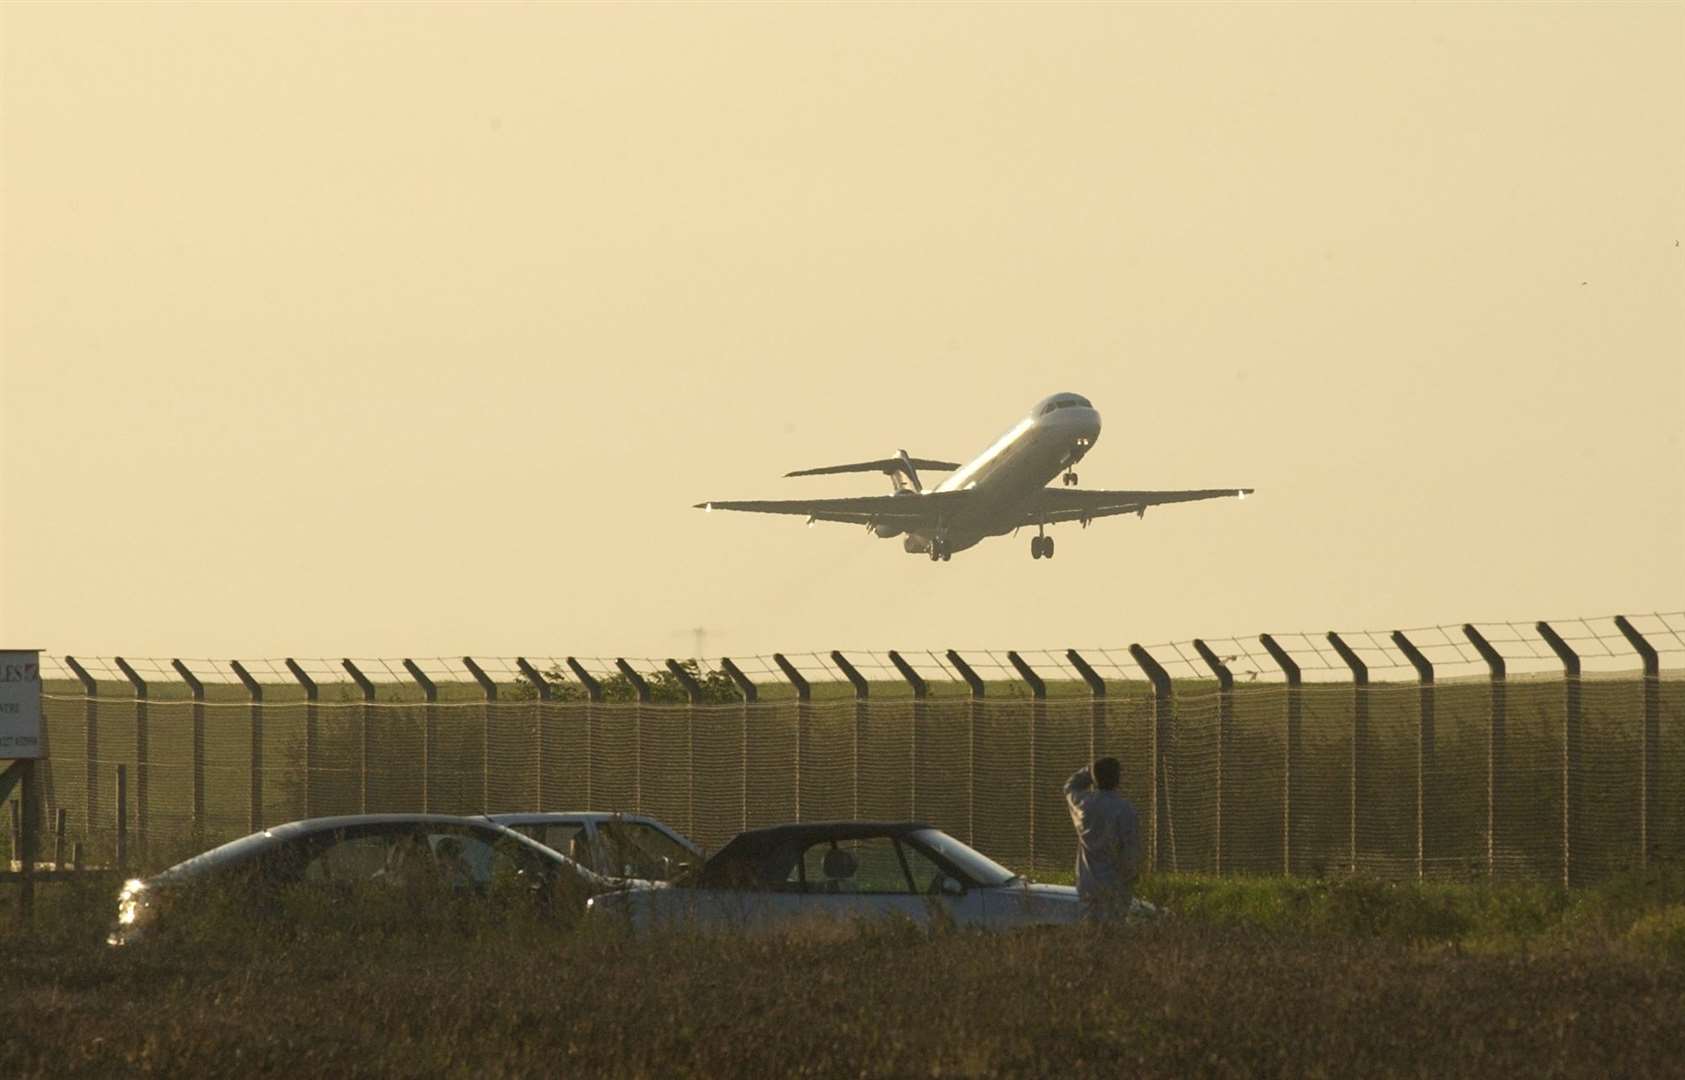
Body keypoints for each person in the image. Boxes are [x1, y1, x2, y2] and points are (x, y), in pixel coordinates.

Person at [1064, 757, 1142, 920]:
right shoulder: (1124, 809)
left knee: (1090, 929)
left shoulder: (1082, 804)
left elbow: (1070, 786)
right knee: (1114, 930)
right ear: (1117, 779)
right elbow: (1130, 850)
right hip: (1115, 884)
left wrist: (1090, 770)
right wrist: (1128, 878)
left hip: (1087, 883)